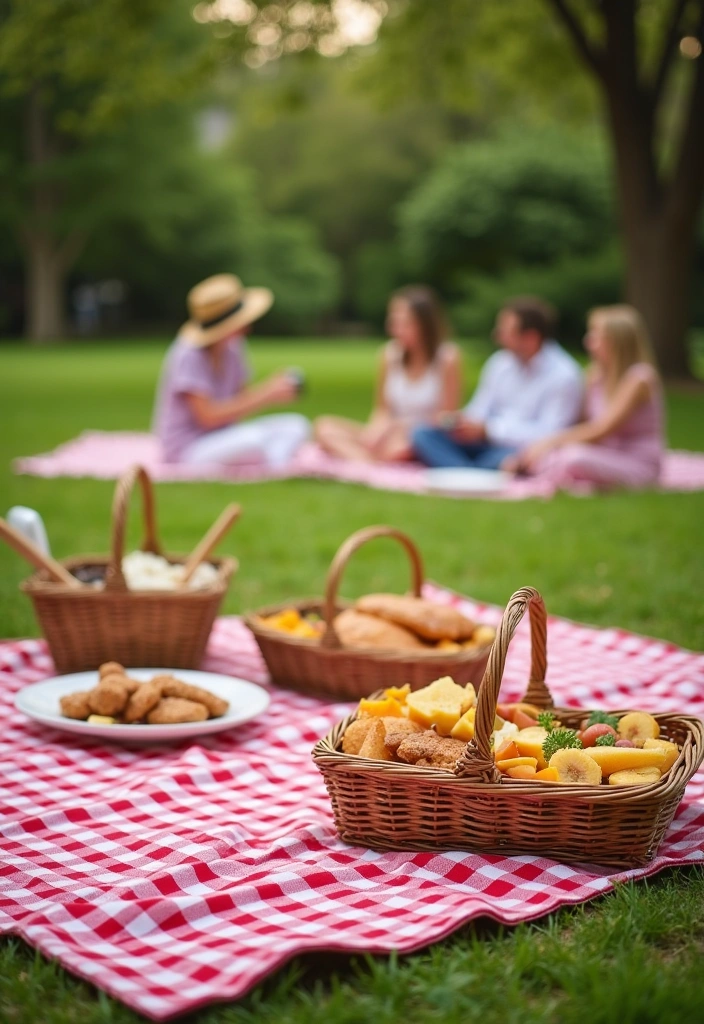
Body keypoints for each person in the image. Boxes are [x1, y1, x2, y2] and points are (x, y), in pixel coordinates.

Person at [153, 274, 310, 467]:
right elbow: (208, 417)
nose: (247, 327)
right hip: (188, 448)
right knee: (253, 440)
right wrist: (267, 393)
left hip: (224, 436)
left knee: (296, 425)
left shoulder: (234, 348)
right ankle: (274, 462)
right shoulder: (189, 354)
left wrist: (275, 390)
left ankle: (273, 462)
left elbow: (240, 400)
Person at [411, 297, 583, 469]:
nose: (496, 335)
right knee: (423, 433)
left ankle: (461, 470)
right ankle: (471, 471)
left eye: (505, 331)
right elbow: (480, 408)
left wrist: (490, 431)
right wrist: (460, 422)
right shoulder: (500, 363)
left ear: (530, 337)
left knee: (520, 459)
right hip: (484, 443)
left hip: (519, 449)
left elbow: (550, 433)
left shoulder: (563, 375)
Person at [503, 305, 664, 489]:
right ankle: (528, 468)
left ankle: (537, 472)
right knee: (555, 456)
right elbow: (580, 425)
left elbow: (601, 430)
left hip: (635, 462)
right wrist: (533, 452)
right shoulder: (594, 376)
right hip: (604, 455)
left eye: (596, 336)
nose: (588, 342)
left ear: (616, 341)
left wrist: (549, 443)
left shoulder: (639, 379)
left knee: (573, 459)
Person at [314, 285, 462, 462]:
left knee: (400, 449)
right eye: (393, 321)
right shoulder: (389, 354)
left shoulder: (447, 358)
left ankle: (362, 460)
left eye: (404, 323)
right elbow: (382, 410)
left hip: (418, 437)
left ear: (424, 324)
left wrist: (401, 427)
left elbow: (446, 419)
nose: (395, 330)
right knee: (324, 426)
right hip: (388, 433)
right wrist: (375, 433)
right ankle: (367, 462)